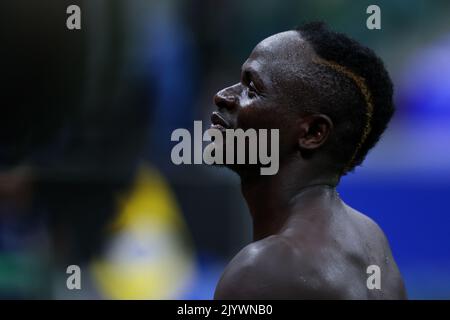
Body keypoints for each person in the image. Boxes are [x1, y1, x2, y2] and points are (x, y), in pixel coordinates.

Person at [211, 22, 406, 299]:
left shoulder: (261, 271)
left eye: (251, 89)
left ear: (313, 133)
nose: (222, 96)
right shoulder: (370, 239)